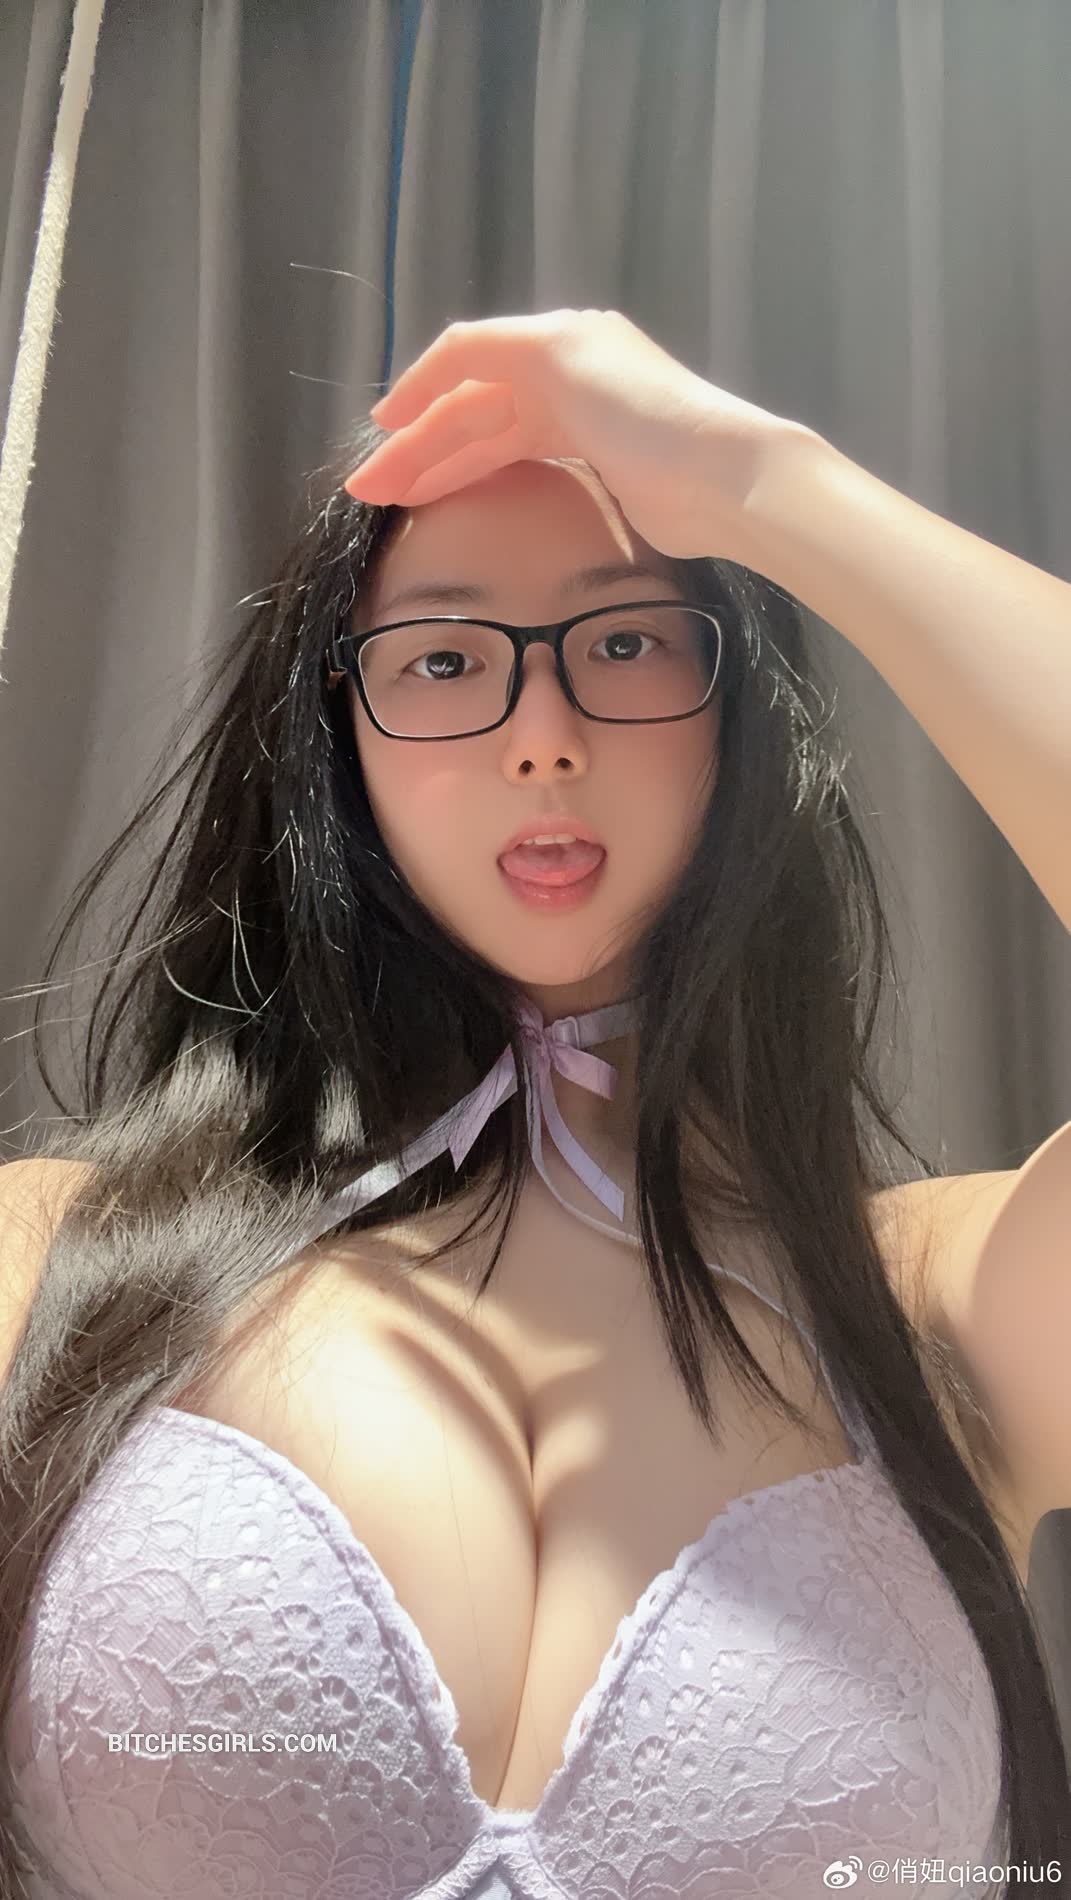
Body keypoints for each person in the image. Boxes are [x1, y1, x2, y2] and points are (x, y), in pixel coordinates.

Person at [0, 308, 1069, 1899]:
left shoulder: (943, 1311)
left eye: (625, 642)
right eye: (444, 661)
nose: (544, 739)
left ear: (732, 713)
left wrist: (771, 486)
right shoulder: (46, 1270)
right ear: (336, 740)